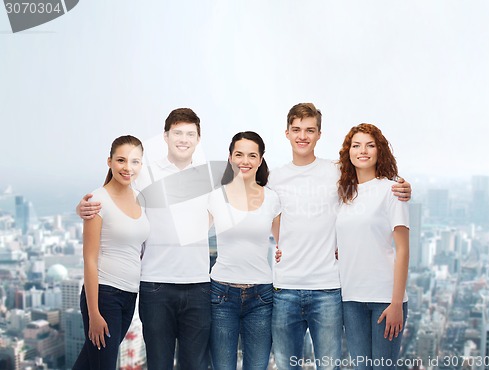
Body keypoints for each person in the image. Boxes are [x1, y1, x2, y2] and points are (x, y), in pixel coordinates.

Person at [269, 103, 411, 370]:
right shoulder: (275, 178)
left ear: (319, 134)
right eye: (296, 129)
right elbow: (260, 208)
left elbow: (375, 186)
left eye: (310, 129)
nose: (303, 135)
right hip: (302, 289)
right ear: (286, 133)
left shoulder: (338, 173)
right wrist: (281, 243)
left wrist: (404, 186)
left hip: (330, 289)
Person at [77, 108, 219, 370]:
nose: (183, 139)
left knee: (195, 365)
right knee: (158, 364)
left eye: (190, 134)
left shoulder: (210, 178)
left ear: (199, 139)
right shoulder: (144, 173)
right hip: (155, 285)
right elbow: (112, 192)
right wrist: (83, 207)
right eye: (177, 133)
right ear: (165, 136)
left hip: (198, 283)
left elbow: (228, 210)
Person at [73, 135, 150, 370]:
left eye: (135, 161)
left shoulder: (142, 198)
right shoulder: (97, 200)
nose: (128, 168)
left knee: (90, 363)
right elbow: (89, 259)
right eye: (121, 160)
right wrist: (94, 313)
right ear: (109, 162)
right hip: (105, 296)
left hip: (129, 296)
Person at [336, 123, 409, 370]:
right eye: (356, 145)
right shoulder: (344, 193)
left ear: (380, 151)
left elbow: (403, 250)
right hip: (351, 299)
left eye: (370, 145)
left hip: (385, 298)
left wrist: (397, 303)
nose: (363, 151)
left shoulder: (392, 190)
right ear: (349, 152)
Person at [208, 131, 280, 369]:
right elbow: (191, 236)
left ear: (260, 160)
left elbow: (287, 244)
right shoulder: (215, 198)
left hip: (261, 297)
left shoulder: (272, 199)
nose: (245, 161)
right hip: (221, 294)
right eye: (239, 154)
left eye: (252, 155)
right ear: (230, 157)